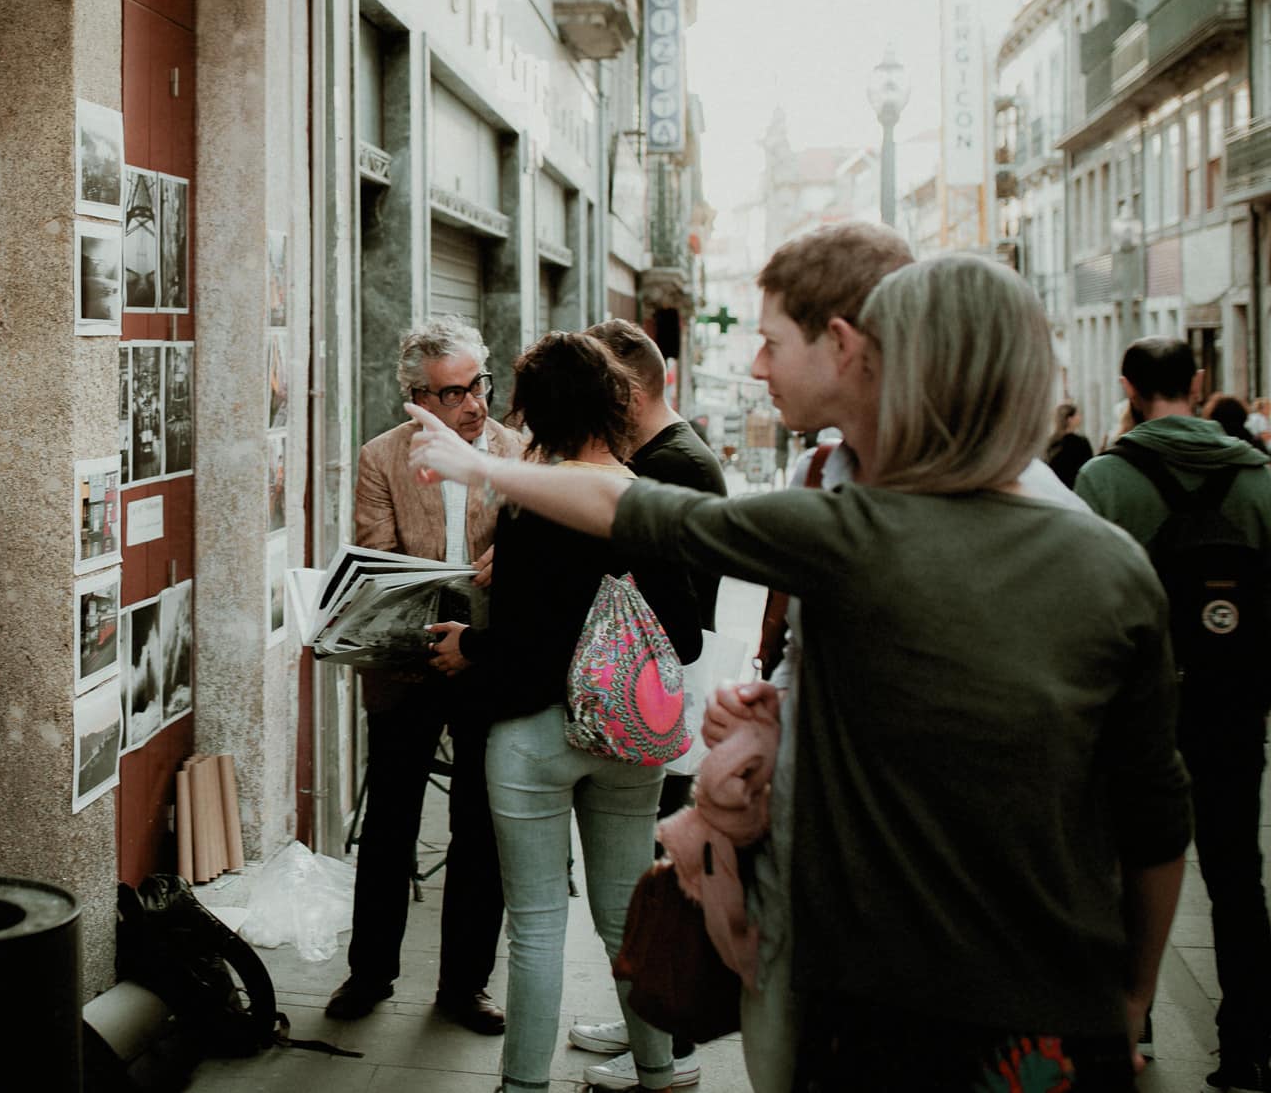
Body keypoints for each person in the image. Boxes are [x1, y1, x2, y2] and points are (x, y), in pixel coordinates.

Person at [408, 254, 1191, 1093]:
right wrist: (1133, 995)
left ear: (891, 367)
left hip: (868, 1001)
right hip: (1055, 1018)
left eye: (776, 340)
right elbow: (1153, 813)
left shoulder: (849, 533)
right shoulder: (1113, 565)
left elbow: (642, 512)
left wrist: (484, 468)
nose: (757, 364)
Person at [727, 222, 1081, 1092]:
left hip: (944, 966)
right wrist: (763, 716)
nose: (754, 368)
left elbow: (1115, 787)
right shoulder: (820, 480)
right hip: (808, 923)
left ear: (844, 345)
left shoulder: (1048, 530)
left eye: (771, 342)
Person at [420, 332, 680, 1093]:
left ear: (537, 412)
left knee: (535, 925)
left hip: (536, 733)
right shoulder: (649, 500)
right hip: (632, 733)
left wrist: (472, 640)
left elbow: (528, 649)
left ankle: (524, 1086)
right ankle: (660, 1069)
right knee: (624, 916)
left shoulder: (533, 509)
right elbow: (687, 631)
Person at [1075, 339, 1271, 1093]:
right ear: (1197, 384)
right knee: (1238, 875)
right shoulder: (1258, 479)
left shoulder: (1105, 479)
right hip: (1233, 705)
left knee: (1125, 864)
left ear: (1126, 387)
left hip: (1136, 710)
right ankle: (1249, 1045)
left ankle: (1137, 1022)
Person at [331, 315, 523, 1034]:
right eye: (454, 392)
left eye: (480, 383)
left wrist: (516, 564)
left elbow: (535, 551)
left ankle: (465, 985)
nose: (475, 403)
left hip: (486, 656)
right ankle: (370, 972)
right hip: (408, 662)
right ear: (417, 397)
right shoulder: (382, 457)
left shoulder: (518, 451)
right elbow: (379, 560)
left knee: (481, 824)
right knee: (390, 823)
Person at [562, 319, 726, 1087]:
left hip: (660, 694)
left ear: (625, 392)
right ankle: (649, 1029)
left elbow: (673, 605)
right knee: (648, 876)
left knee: (659, 879)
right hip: (659, 691)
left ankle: (669, 1043)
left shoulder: (670, 466)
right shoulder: (667, 456)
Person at [1046, 400, 1095, 489]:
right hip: (1075, 489)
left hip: (1054, 489)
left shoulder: (1049, 442)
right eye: (1077, 415)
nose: (1080, 417)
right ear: (1070, 419)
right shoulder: (1081, 442)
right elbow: (1089, 469)